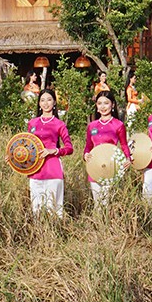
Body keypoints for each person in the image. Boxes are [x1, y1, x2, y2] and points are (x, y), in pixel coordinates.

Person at [26, 88, 72, 216]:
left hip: (53, 169)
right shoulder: (32, 123)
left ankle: (56, 234)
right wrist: (14, 158)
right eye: (42, 100)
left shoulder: (59, 124)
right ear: (39, 103)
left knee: (55, 210)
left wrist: (54, 151)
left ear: (54, 102)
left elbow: (69, 148)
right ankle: (39, 235)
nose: (46, 103)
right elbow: (27, 146)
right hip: (35, 170)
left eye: (49, 100)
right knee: (37, 209)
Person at [83, 92, 130, 207]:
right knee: (97, 204)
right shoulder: (92, 126)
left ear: (112, 105)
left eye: (106, 103)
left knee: (109, 203)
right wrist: (85, 155)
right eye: (99, 103)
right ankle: (98, 224)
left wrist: (128, 158)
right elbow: (88, 146)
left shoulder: (118, 125)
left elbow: (124, 145)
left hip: (111, 167)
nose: (103, 106)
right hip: (95, 167)